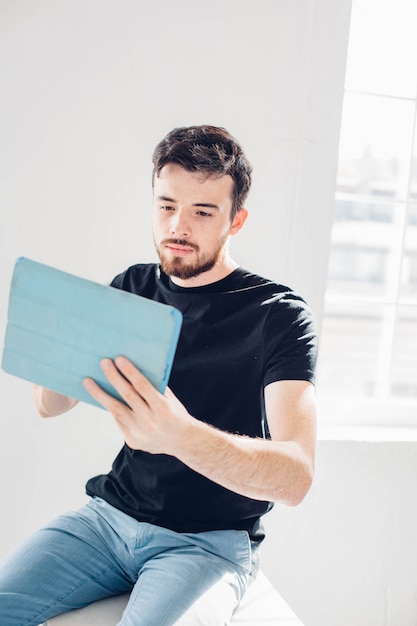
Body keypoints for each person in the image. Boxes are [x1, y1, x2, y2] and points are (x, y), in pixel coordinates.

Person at [0, 125, 317, 626]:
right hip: (105, 520)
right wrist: (57, 339)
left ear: (237, 220)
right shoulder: (132, 287)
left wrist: (182, 436)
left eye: (203, 211)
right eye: (166, 205)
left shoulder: (278, 315)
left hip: (206, 544)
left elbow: (296, 477)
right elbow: (48, 405)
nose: (178, 226)